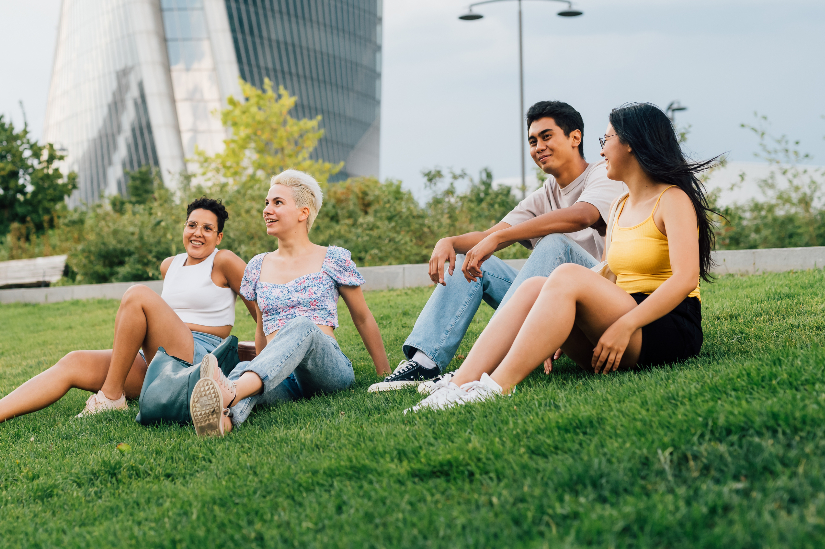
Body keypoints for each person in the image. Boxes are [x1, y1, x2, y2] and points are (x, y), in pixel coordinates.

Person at [405, 102, 718, 413]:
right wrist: (549, 319)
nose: (602, 150)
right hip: (617, 320)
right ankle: (459, 384)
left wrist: (627, 325)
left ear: (633, 144)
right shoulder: (620, 206)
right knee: (533, 288)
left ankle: (493, 387)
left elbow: (685, 278)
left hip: (664, 326)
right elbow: (610, 273)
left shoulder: (672, 199)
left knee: (566, 272)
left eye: (606, 140)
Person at [0, 197, 257, 438]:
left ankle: (111, 396)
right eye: (192, 225)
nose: (198, 233)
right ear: (184, 228)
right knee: (74, 361)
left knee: (137, 295)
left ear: (219, 237)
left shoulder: (224, 261)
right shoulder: (169, 266)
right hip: (156, 360)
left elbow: (259, 311)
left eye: (207, 228)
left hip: (197, 357)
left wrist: (261, 358)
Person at [370, 101, 626, 391]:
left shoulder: (604, 175)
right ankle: (424, 363)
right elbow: (491, 234)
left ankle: (474, 369)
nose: (538, 147)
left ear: (575, 138)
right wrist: (450, 242)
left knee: (556, 244)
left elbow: (583, 215)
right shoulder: (545, 194)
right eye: (532, 141)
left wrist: (498, 239)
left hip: (598, 299)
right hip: (553, 301)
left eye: (546, 136)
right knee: (476, 258)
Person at [187, 169, 392, 437]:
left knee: (302, 325)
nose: (267, 210)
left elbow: (362, 317)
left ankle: (232, 390)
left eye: (277, 203)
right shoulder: (258, 265)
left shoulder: (333, 258)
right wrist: (262, 364)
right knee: (245, 370)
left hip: (326, 370)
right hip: (280, 375)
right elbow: (262, 327)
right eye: (266, 203)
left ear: (303, 212)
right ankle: (222, 421)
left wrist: (385, 373)